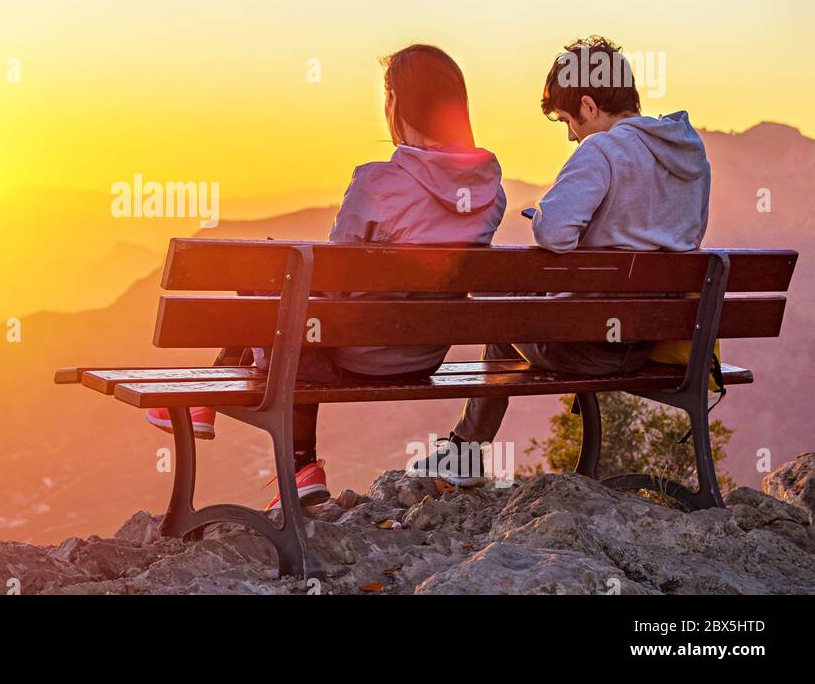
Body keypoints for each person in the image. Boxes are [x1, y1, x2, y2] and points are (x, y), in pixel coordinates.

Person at [144, 44, 507, 508]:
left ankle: (292, 459)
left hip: (362, 355)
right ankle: (227, 414)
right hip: (425, 355)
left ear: (395, 102)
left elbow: (331, 287)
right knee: (295, 293)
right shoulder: (489, 190)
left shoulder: (378, 182)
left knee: (281, 283)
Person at [412, 36, 712, 485]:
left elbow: (553, 233)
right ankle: (466, 453)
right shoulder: (689, 154)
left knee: (500, 316)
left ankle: (466, 454)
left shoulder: (603, 150)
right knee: (516, 311)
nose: (572, 135)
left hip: (593, 347)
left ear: (589, 106)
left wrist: (546, 214)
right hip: (652, 345)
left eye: (570, 122)